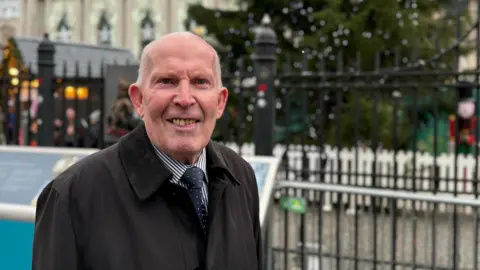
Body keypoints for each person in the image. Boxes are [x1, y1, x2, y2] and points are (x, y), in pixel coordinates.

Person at [32, 32, 262, 270]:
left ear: (220, 102)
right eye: (167, 81)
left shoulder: (241, 178)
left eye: (200, 82)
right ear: (138, 99)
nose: (185, 99)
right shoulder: (72, 196)